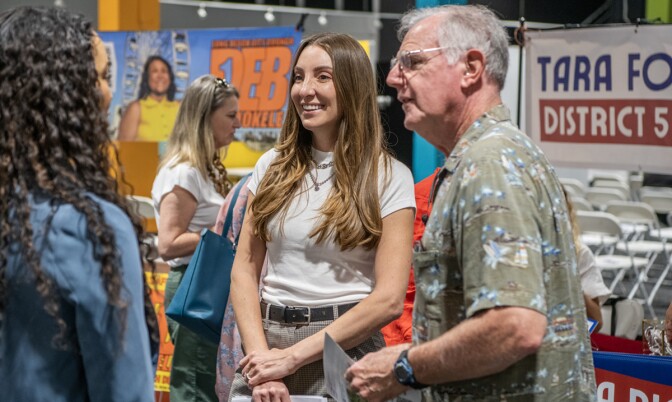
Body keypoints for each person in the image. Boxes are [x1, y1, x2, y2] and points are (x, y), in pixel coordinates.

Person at [346, 5, 596, 401]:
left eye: (411, 62)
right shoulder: (489, 157)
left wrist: (406, 366)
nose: (394, 78)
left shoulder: (488, 165)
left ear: (471, 68)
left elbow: (514, 325)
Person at [228, 32, 415, 401]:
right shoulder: (271, 166)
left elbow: (389, 297)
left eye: (322, 77)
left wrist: (290, 359)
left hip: (343, 348)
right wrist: (264, 362)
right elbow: (244, 269)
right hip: (265, 344)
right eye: (298, 77)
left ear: (352, 85)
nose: (305, 89)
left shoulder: (389, 176)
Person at [0, 6, 158, 401]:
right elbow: (124, 390)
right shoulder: (89, 228)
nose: (108, 93)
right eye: (102, 77)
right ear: (65, 94)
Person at [152, 75, 240, 402]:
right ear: (205, 117)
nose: (238, 124)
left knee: (206, 379)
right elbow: (168, 243)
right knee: (194, 384)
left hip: (206, 282)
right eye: (230, 116)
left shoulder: (202, 170)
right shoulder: (183, 172)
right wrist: (220, 232)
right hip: (194, 285)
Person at [118, 55, 181, 142]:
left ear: (170, 77)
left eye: (164, 71)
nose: (160, 76)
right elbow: (123, 148)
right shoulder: (136, 108)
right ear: (147, 77)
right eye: (155, 71)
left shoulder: (180, 108)